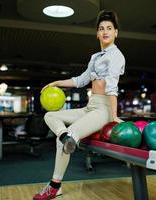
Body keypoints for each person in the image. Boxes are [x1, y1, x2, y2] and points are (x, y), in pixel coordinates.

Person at [33, 10, 126, 200]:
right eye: (101, 29)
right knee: (50, 116)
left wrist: (114, 116)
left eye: (109, 28)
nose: (105, 31)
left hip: (104, 109)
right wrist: (57, 83)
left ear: (116, 32)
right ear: (97, 34)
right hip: (90, 107)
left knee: (71, 136)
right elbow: (81, 80)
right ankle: (64, 136)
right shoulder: (95, 57)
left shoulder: (116, 56)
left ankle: (54, 186)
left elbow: (112, 88)